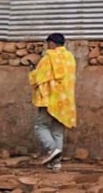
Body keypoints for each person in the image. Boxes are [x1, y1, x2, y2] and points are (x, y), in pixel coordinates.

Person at [28, 32, 77, 172]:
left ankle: (53, 149)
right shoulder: (70, 58)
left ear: (51, 43)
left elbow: (38, 78)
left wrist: (32, 71)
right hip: (65, 101)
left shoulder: (49, 57)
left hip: (50, 99)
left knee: (41, 126)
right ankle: (56, 164)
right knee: (58, 131)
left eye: (48, 43)